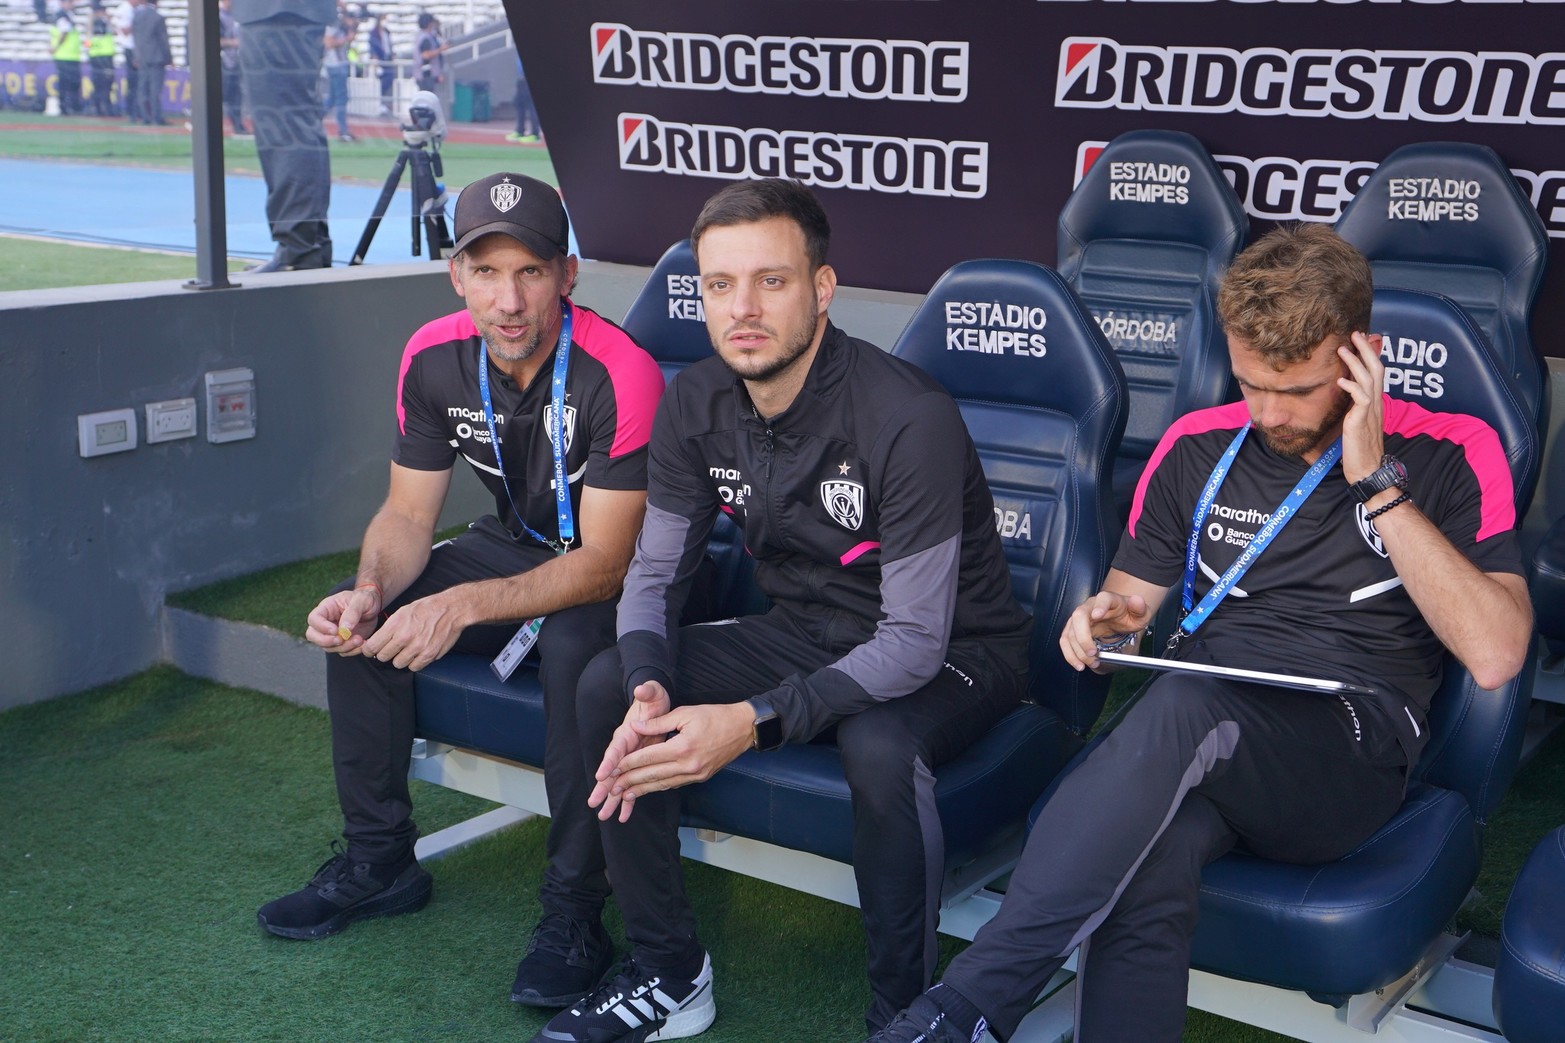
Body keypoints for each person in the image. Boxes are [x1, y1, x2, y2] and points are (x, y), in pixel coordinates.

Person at [869, 223, 1533, 1043]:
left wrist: (1375, 481)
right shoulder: (1197, 444)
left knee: (1189, 705)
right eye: (1251, 383)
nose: (1270, 413)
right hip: (1199, 740)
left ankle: (961, 1009)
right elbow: (1127, 603)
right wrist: (1105, 622)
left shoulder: (1450, 450)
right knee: (1148, 851)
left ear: (1362, 357)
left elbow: (1495, 653)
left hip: (1346, 747)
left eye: (1297, 389)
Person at [527, 178, 1033, 1043]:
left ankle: (902, 1013)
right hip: (805, 631)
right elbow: (655, 573)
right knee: (610, 682)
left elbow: (914, 640)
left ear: (822, 289)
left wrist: (750, 721)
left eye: (772, 280)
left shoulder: (907, 415)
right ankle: (668, 972)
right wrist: (650, 681)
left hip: (958, 650)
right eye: (720, 285)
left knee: (878, 742)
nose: (743, 309)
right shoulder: (695, 401)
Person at [257, 173, 668, 1012]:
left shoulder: (619, 369)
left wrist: (462, 605)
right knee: (363, 621)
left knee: (573, 645)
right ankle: (379, 861)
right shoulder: (431, 355)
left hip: (621, 569)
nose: (508, 301)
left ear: (567, 274)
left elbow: (605, 563)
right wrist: (372, 588)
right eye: (486, 272)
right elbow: (409, 514)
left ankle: (574, 909)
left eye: (530, 272)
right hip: (512, 545)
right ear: (456, 276)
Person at [234, 0, 334, 271]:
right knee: (296, 122)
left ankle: (298, 250)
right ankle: (308, 247)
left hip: (274, 12)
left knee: (283, 126)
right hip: (288, 11)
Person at [129, 0, 167, 125]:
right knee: (155, 90)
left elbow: (135, 39)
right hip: (156, 57)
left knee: (143, 89)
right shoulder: (158, 17)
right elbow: (162, 40)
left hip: (142, 58)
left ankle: (146, 117)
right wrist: (168, 58)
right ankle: (156, 117)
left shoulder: (137, 16)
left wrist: (136, 56)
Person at [321, 6, 356, 142]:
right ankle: (343, 131)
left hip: (338, 65)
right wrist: (346, 39)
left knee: (332, 99)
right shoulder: (333, 26)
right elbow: (329, 42)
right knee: (341, 99)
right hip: (335, 65)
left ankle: (314, 120)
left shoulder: (340, 27)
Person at [217, 0, 247, 135]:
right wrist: (235, 43)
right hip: (224, 61)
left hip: (237, 61)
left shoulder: (237, 17)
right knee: (224, 94)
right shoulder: (218, 18)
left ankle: (238, 125)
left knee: (236, 96)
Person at [49, 0, 84, 116]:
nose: (71, 5)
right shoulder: (62, 16)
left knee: (68, 83)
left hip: (69, 55)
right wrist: (56, 47)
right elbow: (64, 33)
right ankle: (67, 107)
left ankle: (68, 106)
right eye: (69, 2)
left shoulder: (67, 15)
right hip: (65, 56)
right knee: (68, 83)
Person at [85, 2, 116, 117]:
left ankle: (106, 108)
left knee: (107, 85)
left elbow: (114, 31)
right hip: (97, 59)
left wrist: (108, 19)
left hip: (106, 58)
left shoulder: (106, 24)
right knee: (98, 85)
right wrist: (90, 20)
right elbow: (87, 43)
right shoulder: (91, 25)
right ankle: (98, 108)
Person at [366, 9, 395, 116]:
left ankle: (385, 103)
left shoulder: (387, 32)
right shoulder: (374, 33)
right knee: (381, 81)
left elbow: (389, 45)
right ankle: (379, 102)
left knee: (390, 78)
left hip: (387, 59)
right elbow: (373, 47)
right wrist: (375, 59)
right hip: (379, 60)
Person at [110, 0, 136, 119]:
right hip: (130, 48)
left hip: (130, 47)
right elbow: (125, 30)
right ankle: (132, 110)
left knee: (133, 82)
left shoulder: (124, 8)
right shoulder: (126, 9)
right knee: (134, 82)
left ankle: (133, 110)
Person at [506, 53, 539, 144]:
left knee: (532, 107)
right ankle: (520, 130)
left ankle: (535, 134)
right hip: (521, 79)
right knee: (519, 104)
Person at [414, 12, 446, 95]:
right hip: (426, 75)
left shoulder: (427, 36)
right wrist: (440, 49)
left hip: (428, 74)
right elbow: (425, 55)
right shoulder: (425, 38)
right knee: (427, 97)